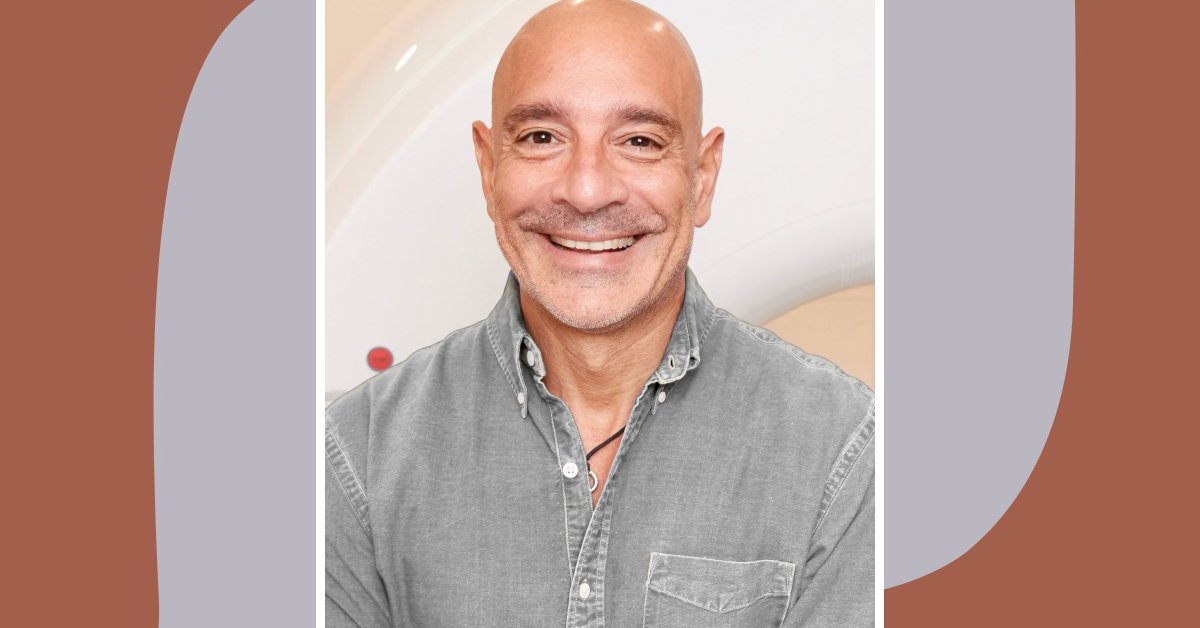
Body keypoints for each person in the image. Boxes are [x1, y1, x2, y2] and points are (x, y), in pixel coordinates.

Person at [325, 0, 874, 625]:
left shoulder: (842, 451)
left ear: (702, 176)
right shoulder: (356, 456)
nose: (587, 191)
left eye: (639, 141)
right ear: (488, 167)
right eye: (542, 137)